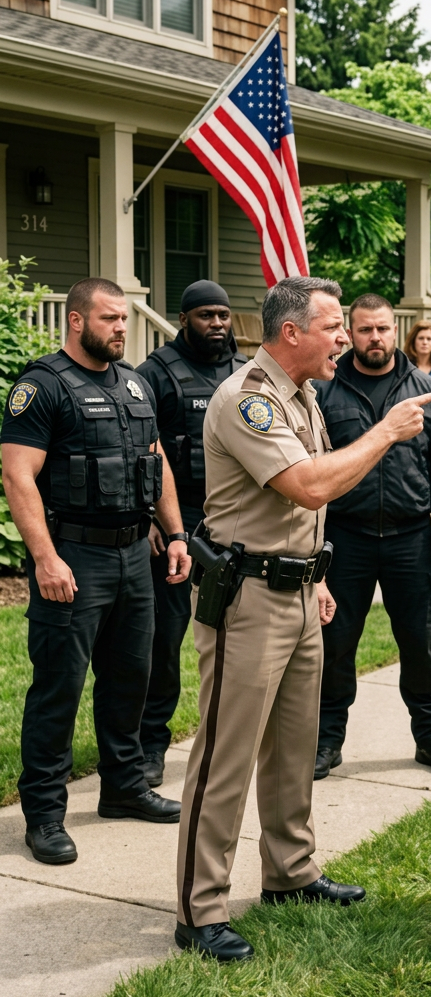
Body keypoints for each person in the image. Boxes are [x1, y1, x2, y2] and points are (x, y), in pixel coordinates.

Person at [175, 276, 431, 961]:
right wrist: (387, 431)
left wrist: (315, 576)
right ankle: (199, 909)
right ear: (291, 332)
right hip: (247, 599)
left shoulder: (301, 394)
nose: (346, 339)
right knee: (225, 757)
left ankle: (290, 872)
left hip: (297, 591)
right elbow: (310, 485)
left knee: (294, 748)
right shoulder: (249, 399)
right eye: (333, 327)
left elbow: (304, 506)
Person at [1, 279, 188, 867]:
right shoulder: (42, 386)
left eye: (124, 318)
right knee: (59, 686)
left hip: (135, 555)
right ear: (77, 320)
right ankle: (44, 813)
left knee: (130, 678)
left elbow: (155, 459)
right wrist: (45, 557)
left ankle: (124, 787)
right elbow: (17, 476)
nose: (121, 328)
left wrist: (176, 533)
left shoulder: (134, 383)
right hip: (74, 556)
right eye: (109, 318)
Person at [314, 294, 431, 780]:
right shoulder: (324, 389)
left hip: (410, 538)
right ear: (350, 333)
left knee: (419, 644)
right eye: (365, 329)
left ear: (394, 331)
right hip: (346, 538)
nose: (374, 337)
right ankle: (326, 741)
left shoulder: (426, 390)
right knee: (336, 645)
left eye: (382, 328)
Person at [136, 281, 246, 788]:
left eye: (223, 314)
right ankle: (150, 745)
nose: (217, 323)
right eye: (206, 315)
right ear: (183, 319)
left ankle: (229, 742)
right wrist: (153, 519)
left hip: (234, 524)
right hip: (175, 524)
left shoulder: (246, 372)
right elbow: (141, 452)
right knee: (164, 640)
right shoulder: (155, 374)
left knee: (239, 638)